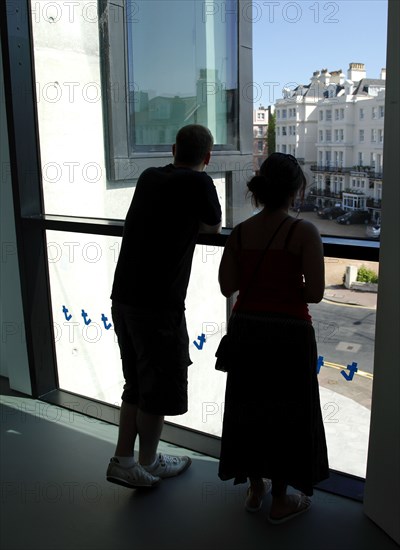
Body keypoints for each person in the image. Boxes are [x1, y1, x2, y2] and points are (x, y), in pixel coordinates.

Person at [107, 124, 222, 489]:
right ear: (207, 157)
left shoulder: (148, 177)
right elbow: (213, 227)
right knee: (156, 388)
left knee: (136, 383)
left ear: (173, 149)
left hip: (123, 296)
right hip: (158, 305)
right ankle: (148, 462)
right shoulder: (199, 184)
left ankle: (125, 460)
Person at [217, 152, 329, 523]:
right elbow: (314, 292)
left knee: (249, 407)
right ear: (296, 191)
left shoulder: (242, 232)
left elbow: (226, 286)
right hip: (289, 334)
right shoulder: (304, 232)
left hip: (246, 328)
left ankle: (254, 489)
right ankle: (280, 500)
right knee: (285, 414)